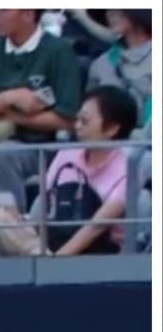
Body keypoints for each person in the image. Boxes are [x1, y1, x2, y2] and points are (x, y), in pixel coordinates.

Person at [0, 9, 84, 210]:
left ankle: (15, 229)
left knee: (0, 155)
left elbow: (67, 119)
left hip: (43, 145)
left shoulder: (59, 51)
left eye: (4, 9)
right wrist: (11, 97)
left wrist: (7, 115)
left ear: (28, 14)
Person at [43, 85, 138, 257]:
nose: (77, 126)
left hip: (99, 250)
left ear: (112, 129)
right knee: (0, 217)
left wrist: (54, 263)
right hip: (54, 240)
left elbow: (96, 227)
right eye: (77, 119)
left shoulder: (129, 168)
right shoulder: (66, 153)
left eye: (85, 121)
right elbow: (45, 199)